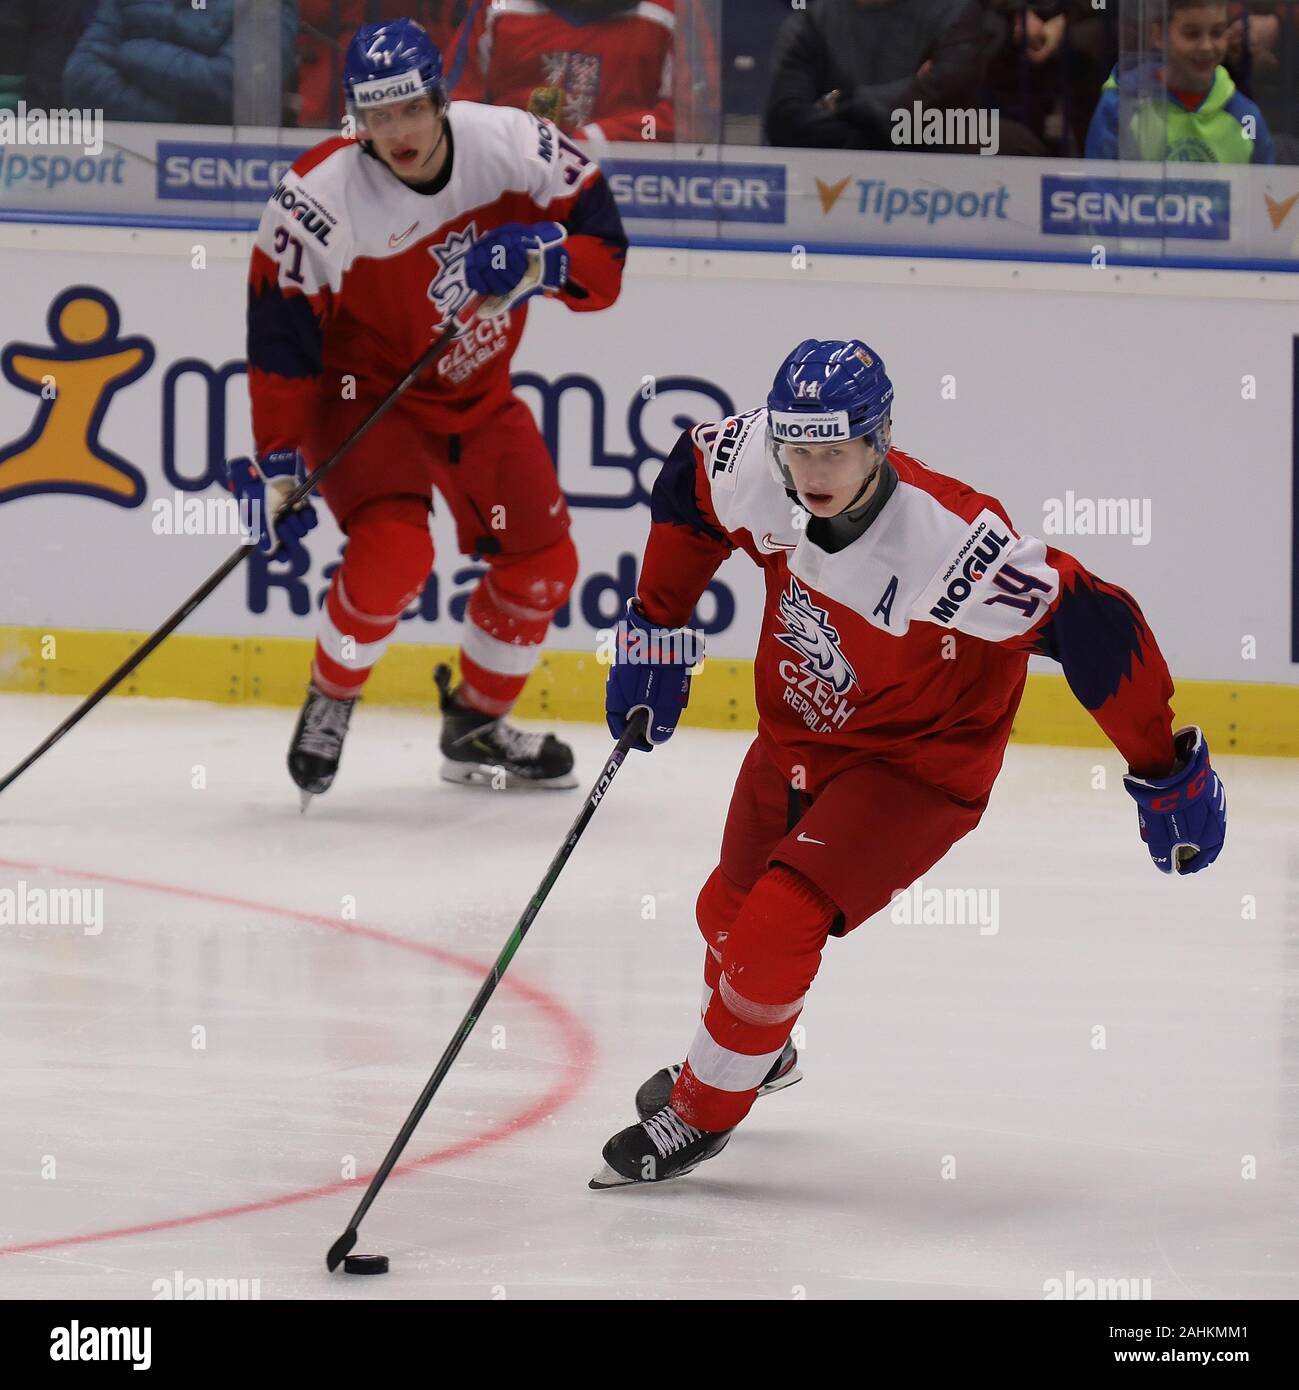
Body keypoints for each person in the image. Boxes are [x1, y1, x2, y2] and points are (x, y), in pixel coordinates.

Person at [593, 338, 1227, 1187]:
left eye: (834, 451)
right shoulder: (757, 462)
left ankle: (702, 1113)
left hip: (917, 769)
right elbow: (690, 488)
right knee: (724, 915)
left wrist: (1163, 768)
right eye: (797, 450)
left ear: (878, 440)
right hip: (796, 740)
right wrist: (657, 623)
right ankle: (758, 1053)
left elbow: (1093, 623)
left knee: (777, 924)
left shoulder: (949, 547)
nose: (810, 471)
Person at [231, 18, 627, 805]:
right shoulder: (317, 199)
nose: (398, 132)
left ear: (441, 99)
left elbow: (606, 259)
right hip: (362, 400)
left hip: (474, 392)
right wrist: (276, 461)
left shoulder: (516, 145)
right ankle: (333, 693)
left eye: (410, 109)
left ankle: (476, 724)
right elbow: (280, 343)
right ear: (355, 119)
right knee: (394, 553)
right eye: (377, 117)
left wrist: (548, 261)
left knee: (545, 568)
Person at [448, 0, 717, 146]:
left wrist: (599, 139)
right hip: (511, 182)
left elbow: (692, 121)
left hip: (627, 189)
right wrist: (510, 141)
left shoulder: (671, 12)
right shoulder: (497, 7)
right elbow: (454, 108)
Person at [764, 0, 988, 151]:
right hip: (830, 185)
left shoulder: (955, 12)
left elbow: (947, 98)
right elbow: (785, 123)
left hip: (935, 187)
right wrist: (891, 124)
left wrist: (840, 104)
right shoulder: (811, 22)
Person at [1085, 0, 1275, 163]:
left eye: (1217, 33)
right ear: (1159, 35)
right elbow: (1100, 194)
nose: (1206, 47)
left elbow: (1264, 195)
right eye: (1191, 34)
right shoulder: (1120, 108)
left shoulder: (1246, 117)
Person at [63, 0, 297, 125]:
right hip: (123, 164)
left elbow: (235, 88)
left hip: (218, 174)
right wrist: (182, 121)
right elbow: (81, 77)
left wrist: (132, 52)